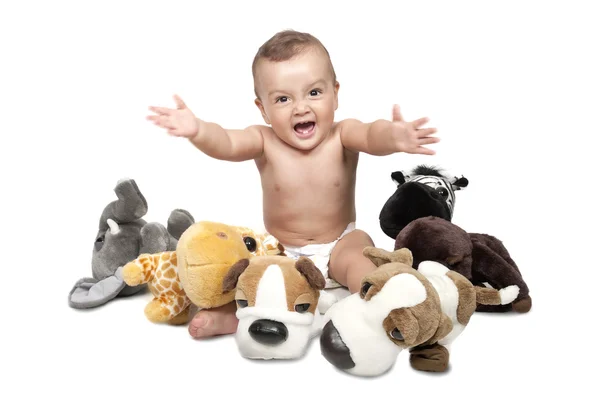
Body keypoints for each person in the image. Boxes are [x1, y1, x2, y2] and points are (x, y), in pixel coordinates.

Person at [147, 29, 439, 338]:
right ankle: (230, 317)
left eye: (314, 93)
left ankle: (382, 308)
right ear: (263, 109)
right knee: (251, 275)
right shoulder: (263, 140)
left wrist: (394, 136)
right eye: (283, 99)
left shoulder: (343, 134)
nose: (301, 107)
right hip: (281, 250)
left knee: (360, 259)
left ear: (335, 93)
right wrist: (198, 130)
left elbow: (371, 135)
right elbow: (227, 142)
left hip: (340, 242)